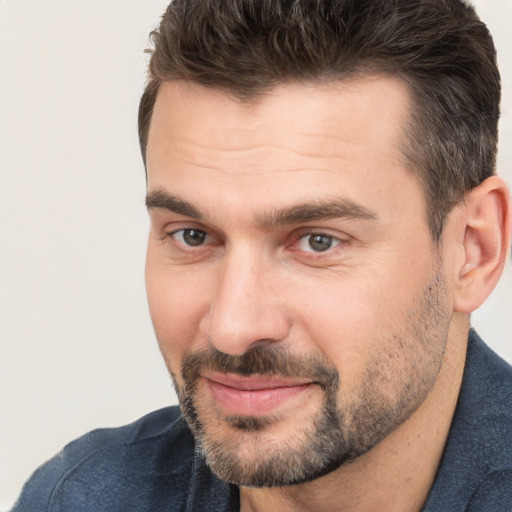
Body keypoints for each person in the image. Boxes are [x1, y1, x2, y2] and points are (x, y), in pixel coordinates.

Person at [12, 0, 512, 510]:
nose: (233, 327)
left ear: (474, 249)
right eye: (192, 235)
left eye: (318, 241)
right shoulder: (81, 498)